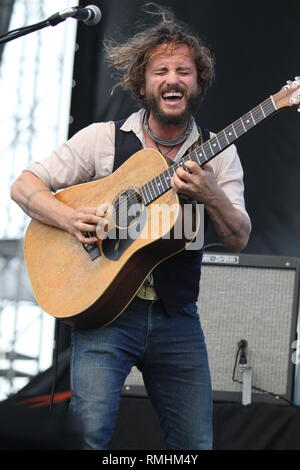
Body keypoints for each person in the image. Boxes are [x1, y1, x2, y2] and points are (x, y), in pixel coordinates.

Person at [11, 5, 251, 450]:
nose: (173, 79)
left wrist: (211, 194)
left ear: (198, 84)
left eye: (184, 70)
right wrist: (69, 217)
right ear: (142, 84)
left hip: (177, 317)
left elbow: (239, 236)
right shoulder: (103, 139)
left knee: (195, 444)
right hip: (105, 317)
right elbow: (24, 186)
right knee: (88, 440)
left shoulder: (218, 153)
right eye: (161, 70)